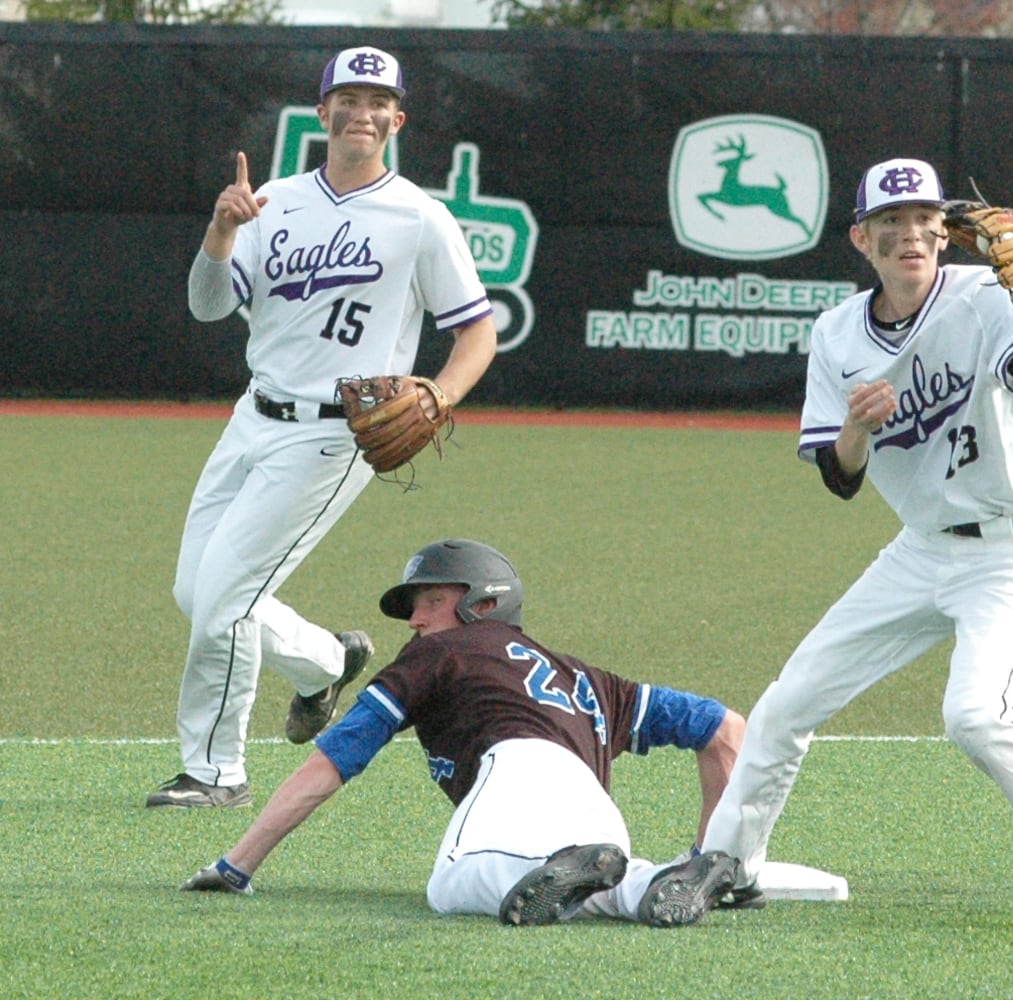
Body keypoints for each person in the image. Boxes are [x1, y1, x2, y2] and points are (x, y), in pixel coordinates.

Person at [701, 157, 1013, 933]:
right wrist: (855, 427)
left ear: (944, 237)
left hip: (1012, 549)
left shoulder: (986, 296)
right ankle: (731, 865)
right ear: (863, 240)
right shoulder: (838, 332)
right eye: (891, 224)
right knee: (788, 702)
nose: (910, 234)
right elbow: (838, 477)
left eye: (923, 222)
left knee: (975, 714)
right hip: (919, 551)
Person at [148, 46, 498, 809]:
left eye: (378, 101)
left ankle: (216, 773)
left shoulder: (420, 217)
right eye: (348, 97)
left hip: (335, 434)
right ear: (323, 114)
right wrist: (219, 232)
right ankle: (323, 662)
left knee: (224, 601)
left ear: (397, 120)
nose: (362, 112)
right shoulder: (273, 200)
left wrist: (438, 394)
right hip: (253, 416)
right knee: (192, 590)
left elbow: (477, 332)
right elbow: (208, 305)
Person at [180, 539, 745, 927]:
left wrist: (237, 864)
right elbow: (725, 730)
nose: (415, 621)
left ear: (487, 603)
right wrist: (719, 848)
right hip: (593, 808)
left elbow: (330, 762)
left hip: (511, 775)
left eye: (431, 601)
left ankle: (597, 869)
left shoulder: (436, 654)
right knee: (606, 888)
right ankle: (673, 879)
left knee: (450, 884)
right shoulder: (588, 678)